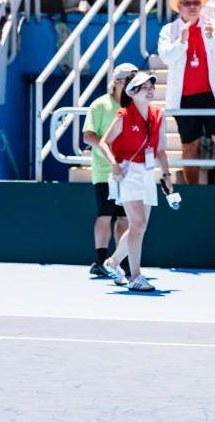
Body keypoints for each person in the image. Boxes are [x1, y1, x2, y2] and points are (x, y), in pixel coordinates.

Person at [97, 70, 175, 292]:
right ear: (132, 92)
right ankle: (135, 276)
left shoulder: (158, 115)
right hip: (127, 172)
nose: (150, 90)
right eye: (144, 88)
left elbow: (160, 150)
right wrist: (114, 165)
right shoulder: (124, 115)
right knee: (138, 224)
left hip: (147, 172)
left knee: (138, 227)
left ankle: (112, 262)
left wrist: (167, 176)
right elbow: (104, 142)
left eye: (152, 87)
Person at [158, 0, 215, 186]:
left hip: (213, 94)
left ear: (201, 6)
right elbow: (166, 57)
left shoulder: (212, 25)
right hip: (185, 97)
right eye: (187, 3)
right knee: (189, 145)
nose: (192, 6)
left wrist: (212, 37)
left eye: (196, 2)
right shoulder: (170, 30)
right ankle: (193, 192)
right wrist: (182, 41)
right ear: (179, 8)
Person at [83, 63, 137, 280]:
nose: (131, 84)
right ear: (116, 82)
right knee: (106, 215)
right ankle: (100, 261)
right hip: (105, 170)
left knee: (124, 218)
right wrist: (109, 152)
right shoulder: (100, 105)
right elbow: (88, 136)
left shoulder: (135, 106)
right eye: (127, 80)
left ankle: (120, 261)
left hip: (128, 171)